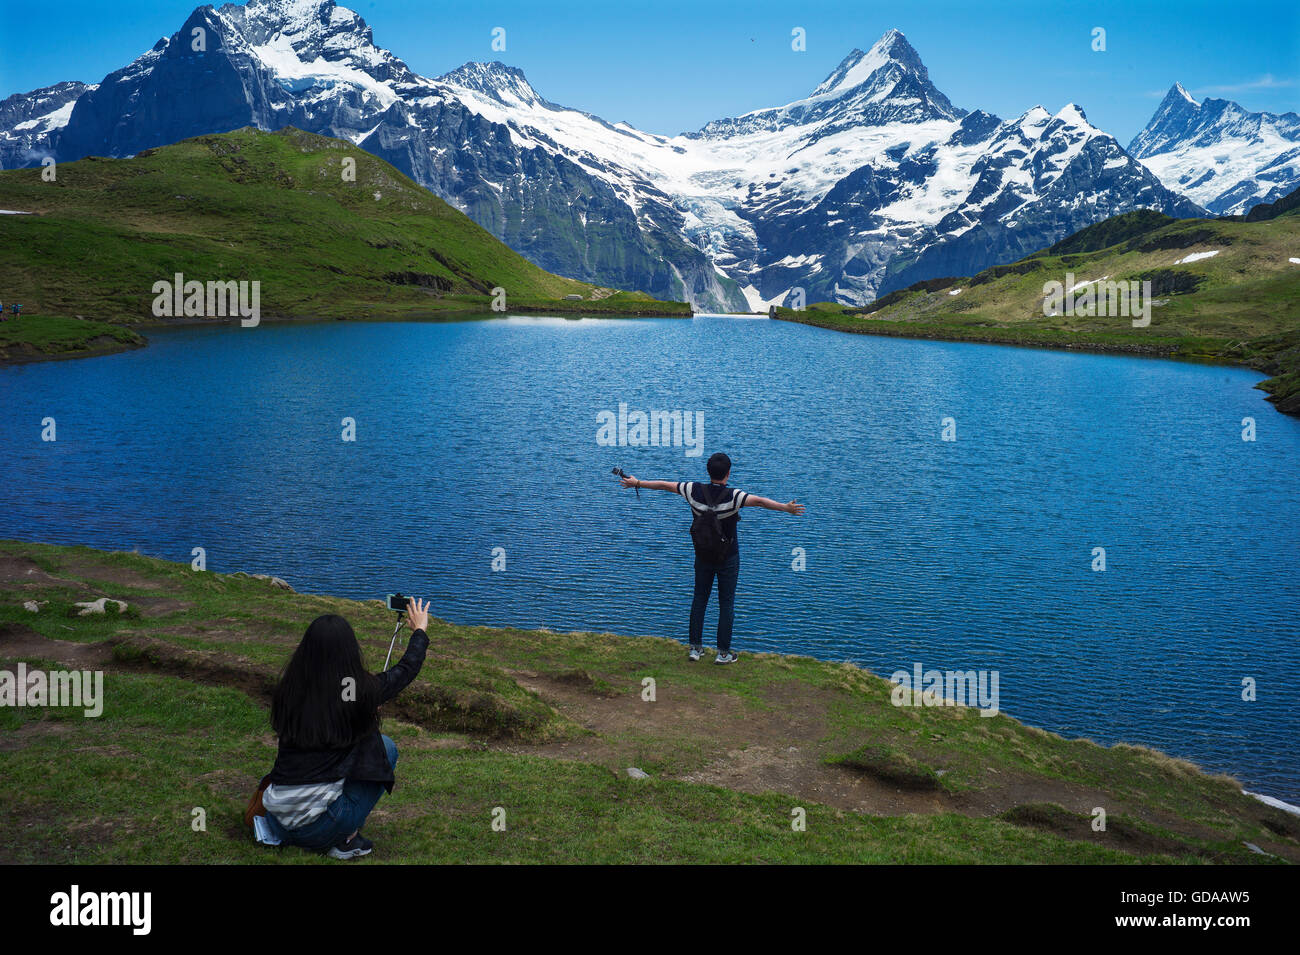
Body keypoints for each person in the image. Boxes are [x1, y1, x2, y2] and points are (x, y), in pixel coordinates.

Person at [256, 598, 430, 860]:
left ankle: (324, 830)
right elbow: (404, 671)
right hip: (316, 829)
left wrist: (363, 710)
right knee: (386, 747)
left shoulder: (290, 688)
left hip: (276, 819)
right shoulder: (355, 691)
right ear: (349, 651)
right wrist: (419, 632)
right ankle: (344, 839)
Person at [619, 452, 805, 664]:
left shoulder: (692, 490)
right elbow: (761, 502)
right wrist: (786, 508)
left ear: (708, 472)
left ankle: (695, 649)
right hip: (728, 557)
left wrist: (638, 482)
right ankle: (723, 654)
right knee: (726, 603)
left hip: (703, 555)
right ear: (728, 473)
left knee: (700, 599)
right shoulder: (735, 496)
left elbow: (665, 485)